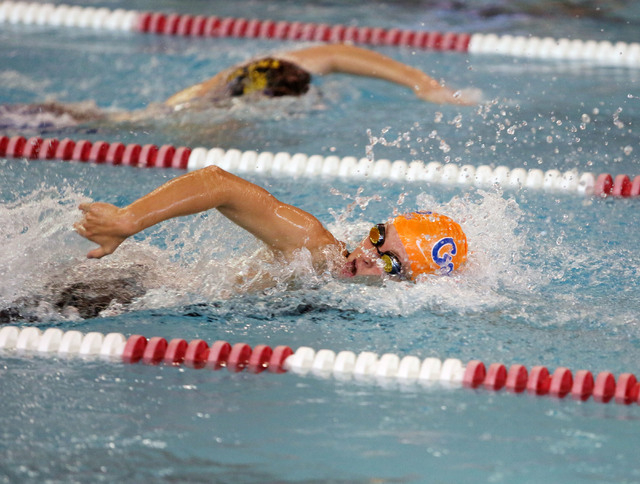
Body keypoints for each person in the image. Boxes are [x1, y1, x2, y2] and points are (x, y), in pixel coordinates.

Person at [74, 165, 468, 284]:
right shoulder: (315, 250)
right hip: (126, 288)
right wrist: (128, 220)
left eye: (388, 263)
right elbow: (218, 183)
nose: (366, 254)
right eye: (378, 237)